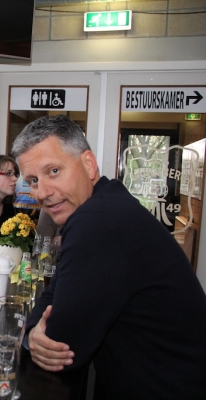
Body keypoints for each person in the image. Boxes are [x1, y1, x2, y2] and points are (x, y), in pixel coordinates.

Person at [11, 115, 206, 399]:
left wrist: (33, 336)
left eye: (53, 171)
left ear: (89, 164)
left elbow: (62, 346)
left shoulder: (97, 220)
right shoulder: (106, 202)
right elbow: (55, 290)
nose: (42, 192)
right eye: (33, 180)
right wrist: (31, 331)